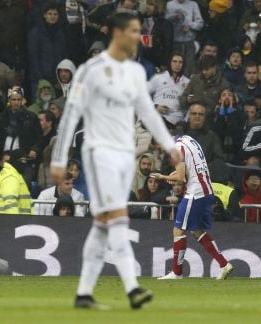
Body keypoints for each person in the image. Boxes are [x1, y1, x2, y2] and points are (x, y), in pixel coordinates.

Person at [50, 12, 179, 310]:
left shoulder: (134, 72)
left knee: (103, 223)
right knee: (118, 216)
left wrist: (170, 145)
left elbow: (147, 111)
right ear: (117, 33)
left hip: (125, 155)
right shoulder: (91, 70)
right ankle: (132, 287)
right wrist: (59, 158)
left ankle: (84, 293)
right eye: (134, 31)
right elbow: (71, 115)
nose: (138, 36)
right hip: (98, 152)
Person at [154, 135, 234, 280]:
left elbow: (179, 177)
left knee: (178, 230)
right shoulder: (189, 140)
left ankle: (177, 273)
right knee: (196, 230)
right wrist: (178, 175)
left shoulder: (176, 149)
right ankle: (224, 264)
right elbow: (189, 170)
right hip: (207, 189)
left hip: (195, 192)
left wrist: (163, 177)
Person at [0, 86, 42, 166]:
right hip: (2, 159)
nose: (16, 102)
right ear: (9, 100)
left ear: (22, 100)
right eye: (13, 99)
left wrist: (35, 150)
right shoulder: (0, 118)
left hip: (23, 159)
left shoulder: (31, 117)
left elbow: (39, 137)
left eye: (19, 99)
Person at [27, 3, 68, 99]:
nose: (52, 16)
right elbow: (33, 56)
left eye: (55, 14)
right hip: (39, 78)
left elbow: (63, 54)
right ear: (44, 15)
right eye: (50, 14)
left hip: (56, 77)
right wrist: (39, 77)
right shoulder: (35, 32)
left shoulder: (60, 33)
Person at [148, 52, 190, 128]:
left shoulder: (188, 82)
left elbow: (191, 106)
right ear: (169, 63)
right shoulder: (158, 78)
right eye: (174, 61)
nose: (177, 64)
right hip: (158, 118)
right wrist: (155, 106)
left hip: (177, 122)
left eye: (180, 62)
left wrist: (185, 121)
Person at [0, 149, 33, 215]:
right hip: (7, 221)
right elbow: (10, 202)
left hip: (7, 220)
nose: (24, 163)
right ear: (14, 161)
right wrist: (14, 221)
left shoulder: (15, 174)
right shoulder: (10, 177)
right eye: (22, 160)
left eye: (25, 160)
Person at [165, 0, 204, 68]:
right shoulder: (169, 5)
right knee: (174, 68)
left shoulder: (193, 4)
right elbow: (164, 22)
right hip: (173, 43)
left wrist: (190, 26)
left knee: (188, 69)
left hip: (188, 44)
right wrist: (174, 17)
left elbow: (200, 23)